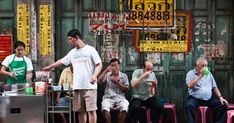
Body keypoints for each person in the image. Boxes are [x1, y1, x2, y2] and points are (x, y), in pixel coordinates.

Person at [42, 29, 102, 123]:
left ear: (76, 38)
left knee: (91, 111)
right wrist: (50, 67)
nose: (69, 41)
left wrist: (95, 76)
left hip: (90, 87)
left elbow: (99, 64)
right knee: (81, 112)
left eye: (70, 39)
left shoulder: (90, 50)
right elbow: (61, 61)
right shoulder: (72, 52)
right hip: (77, 87)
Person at [185, 57, 228, 123]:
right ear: (197, 66)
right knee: (189, 105)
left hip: (209, 99)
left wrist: (220, 97)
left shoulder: (209, 74)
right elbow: (189, 85)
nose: (205, 67)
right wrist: (200, 76)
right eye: (202, 65)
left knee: (223, 105)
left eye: (206, 65)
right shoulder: (190, 73)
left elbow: (214, 87)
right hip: (195, 99)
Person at [98, 58, 129, 123]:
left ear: (119, 66)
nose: (114, 67)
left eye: (116, 65)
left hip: (120, 98)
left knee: (125, 106)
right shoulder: (107, 75)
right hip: (108, 98)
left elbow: (126, 89)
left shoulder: (124, 76)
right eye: (112, 66)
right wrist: (106, 70)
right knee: (104, 107)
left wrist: (117, 83)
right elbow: (99, 82)